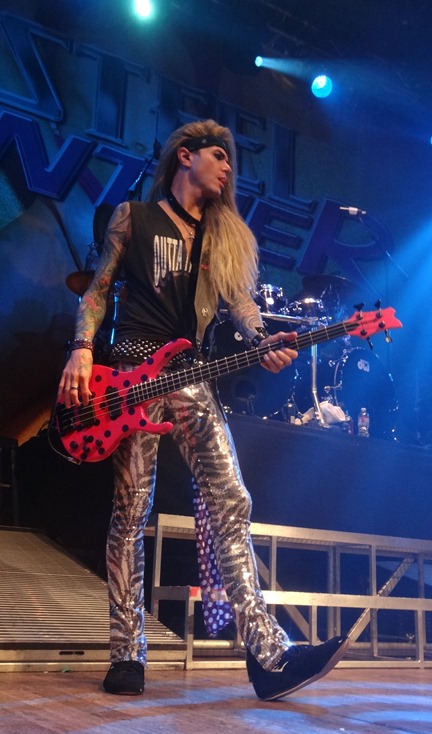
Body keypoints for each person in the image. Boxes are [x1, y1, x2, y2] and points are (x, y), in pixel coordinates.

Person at [58, 118, 349, 701]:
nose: (227, 167)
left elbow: (241, 305)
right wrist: (82, 348)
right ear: (185, 156)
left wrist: (263, 341)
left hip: (190, 376)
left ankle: (269, 656)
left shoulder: (222, 239)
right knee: (130, 512)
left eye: (230, 159)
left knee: (231, 499)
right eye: (219, 155)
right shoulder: (133, 218)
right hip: (131, 378)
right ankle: (127, 653)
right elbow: (97, 290)